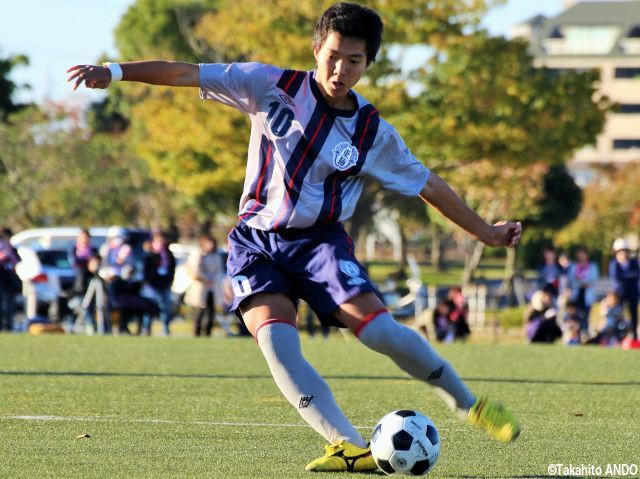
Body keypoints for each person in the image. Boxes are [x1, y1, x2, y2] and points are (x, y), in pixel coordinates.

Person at [68, 3, 522, 471]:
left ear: (369, 64)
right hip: (256, 243)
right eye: (332, 56)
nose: (340, 70)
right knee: (275, 341)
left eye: (354, 61)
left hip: (320, 244)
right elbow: (186, 72)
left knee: (381, 331)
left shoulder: (372, 131)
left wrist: (486, 233)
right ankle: (348, 445)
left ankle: (470, 404)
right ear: (315, 49)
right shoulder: (269, 84)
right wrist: (115, 71)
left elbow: (429, 185)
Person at [185, 233, 224, 337]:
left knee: (211, 310)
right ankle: (196, 332)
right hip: (201, 287)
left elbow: (219, 271)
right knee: (200, 310)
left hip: (213, 287)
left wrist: (214, 280)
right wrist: (206, 279)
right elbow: (195, 271)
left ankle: (208, 332)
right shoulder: (198, 254)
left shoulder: (216, 255)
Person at [142, 230, 176, 336]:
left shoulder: (168, 255)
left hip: (165, 284)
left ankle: (165, 328)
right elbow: (147, 272)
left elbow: (171, 270)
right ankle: (146, 328)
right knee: (151, 307)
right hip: (153, 286)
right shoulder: (149, 256)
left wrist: (169, 281)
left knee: (166, 307)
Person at [608, 239, 639, 340]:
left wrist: (627, 276)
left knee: (633, 314)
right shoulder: (614, 264)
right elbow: (617, 278)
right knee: (618, 315)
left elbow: (637, 275)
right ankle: (619, 337)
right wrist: (629, 276)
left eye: (625, 252)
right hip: (619, 294)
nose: (624, 254)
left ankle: (634, 336)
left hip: (633, 293)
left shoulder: (634, 263)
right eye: (621, 252)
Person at [566, 247, 598, 335]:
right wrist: (582, 282)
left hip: (587, 296)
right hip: (576, 296)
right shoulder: (574, 266)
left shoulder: (592, 266)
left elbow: (593, 280)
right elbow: (572, 280)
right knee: (575, 316)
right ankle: (576, 335)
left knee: (586, 316)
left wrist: (580, 282)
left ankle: (584, 333)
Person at [0, 228, 20, 332]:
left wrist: (10, 255)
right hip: (2, 278)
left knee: (9, 303)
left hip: (9, 279)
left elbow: (16, 261)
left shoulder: (12, 249)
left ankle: (8, 325)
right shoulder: (3, 247)